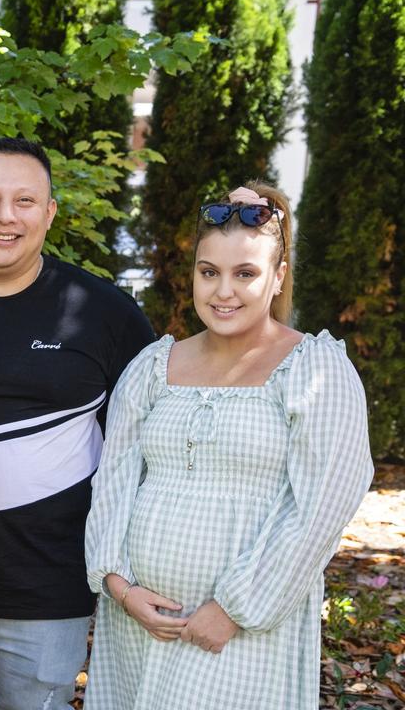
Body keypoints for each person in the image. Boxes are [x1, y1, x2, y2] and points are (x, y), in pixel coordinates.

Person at [82, 182, 374, 708]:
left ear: (278, 276)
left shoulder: (313, 369)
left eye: (246, 274)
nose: (223, 291)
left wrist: (236, 608)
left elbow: (321, 505)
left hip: (241, 629)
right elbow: (114, 481)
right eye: (209, 271)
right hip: (140, 627)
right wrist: (119, 586)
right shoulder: (152, 367)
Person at [0, 137, 156, 709]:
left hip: (50, 593)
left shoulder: (104, 313)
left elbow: (147, 449)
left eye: (24, 201)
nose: (4, 217)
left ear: (50, 212)